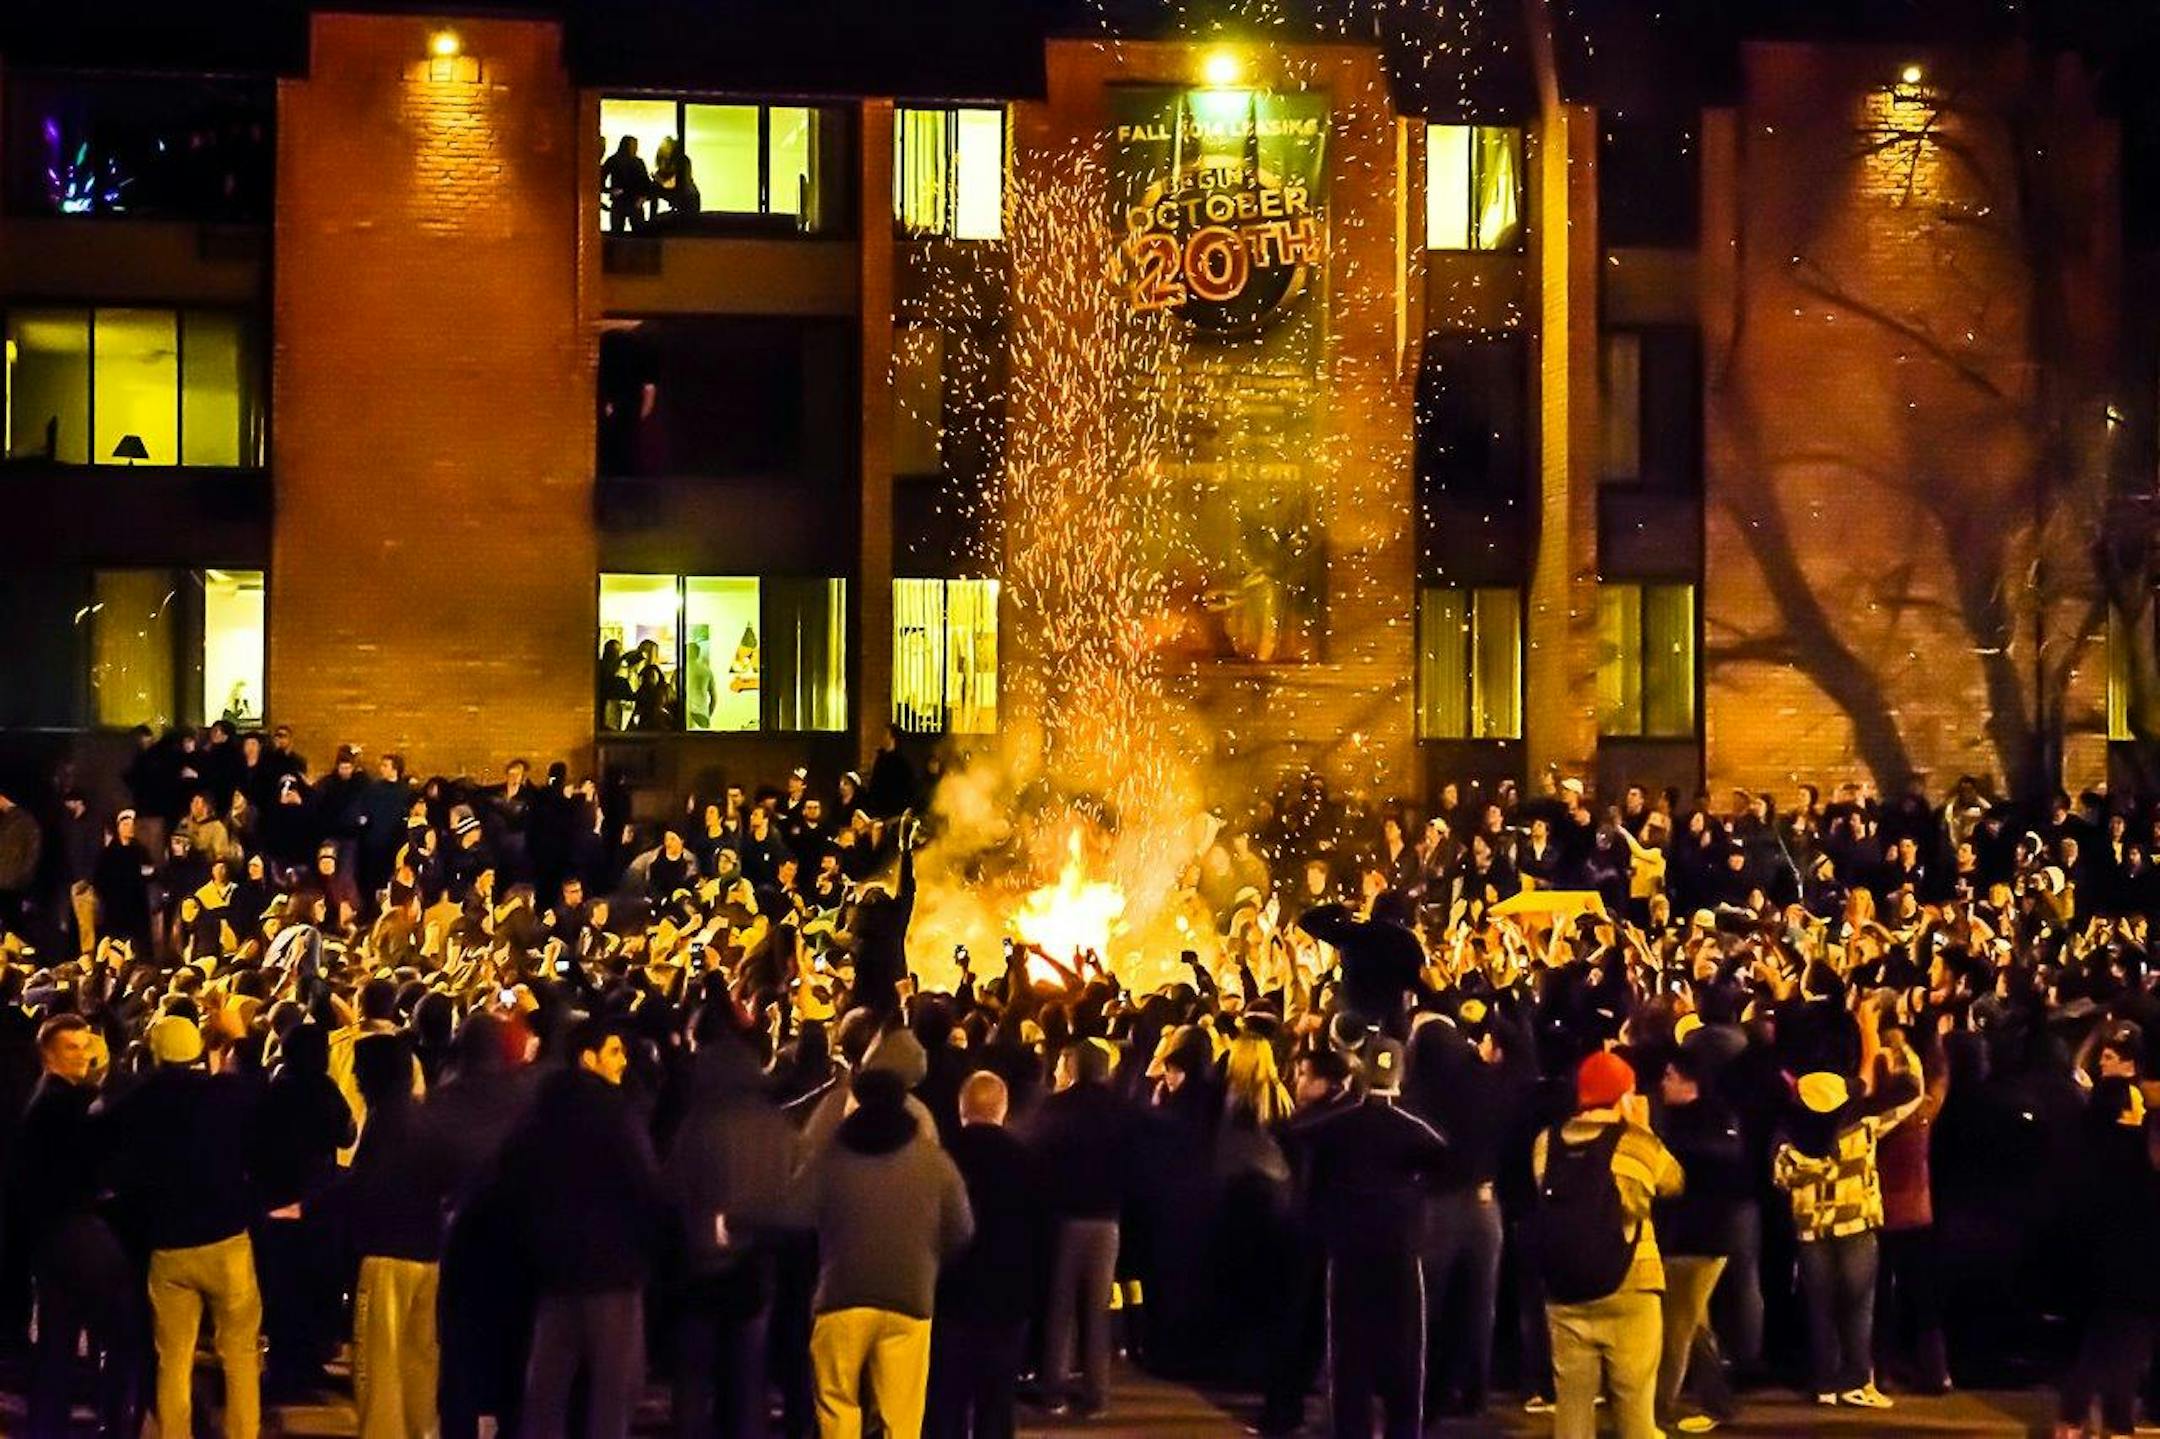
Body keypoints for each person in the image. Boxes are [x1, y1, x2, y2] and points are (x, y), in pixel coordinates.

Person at [99, 1012, 264, 1439]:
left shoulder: (135, 1104)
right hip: (227, 1240)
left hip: (169, 1245)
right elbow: (256, 1085)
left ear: (153, 1051)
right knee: (241, 1353)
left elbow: (112, 1162)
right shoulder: (225, 1094)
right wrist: (238, 1035)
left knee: (172, 1356)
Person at [499, 1017, 665, 1439]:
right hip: (612, 1271)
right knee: (613, 1392)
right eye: (614, 1052)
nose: (623, 1061)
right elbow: (645, 1184)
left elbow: (514, 1178)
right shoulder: (618, 1113)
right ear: (587, 1058)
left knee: (547, 1388)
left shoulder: (540, 1111)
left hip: (554, 1269)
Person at [794, 1065, 974, 1439]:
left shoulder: (830, 1157)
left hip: (840, 1294)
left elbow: (794, 1211)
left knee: (837, 1402)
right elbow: (961, 1229)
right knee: (901, 1414)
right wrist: (928, 1260)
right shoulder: (932, 1160)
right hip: (910, 1296)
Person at [1282, 1041, 1449, 1439]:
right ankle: (1404, 1429)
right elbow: (1443, 1159)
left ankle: (1351, 1429)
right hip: (1400, 1251)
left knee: (1349, 1352)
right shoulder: (1415, 1130)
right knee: (1407, 1352)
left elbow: (1294, 1135)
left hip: (1349, 1250)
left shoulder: (1338, 1125)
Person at [1531, 1051, 1683, 1439]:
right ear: (1624, 1095)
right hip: (1630, 1287)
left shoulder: (1547, 1143)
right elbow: (1673, 1181)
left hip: (1565, 1292)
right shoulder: (1635, 1144)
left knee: (1573, 1409)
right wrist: (1641, 1127)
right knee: (1634, 1408)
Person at [663, 1016, 799, 1439]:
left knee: (693, 1376)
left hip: (699, 1268)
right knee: (746, 1376)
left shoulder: (697, 1125)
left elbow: (673, 1189)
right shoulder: (776, 1125)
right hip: (756, 1267)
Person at [15, 1014, 140, 1439]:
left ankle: (47, 1425)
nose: (84, 1055)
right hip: (75, 1237)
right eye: (72, 1047)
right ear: (48, 1055)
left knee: (58, 1342)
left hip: (55, 1238)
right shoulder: (62, 1105)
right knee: (122, 1333)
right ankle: (114, 1420)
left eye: (86, 1045)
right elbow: (90, 1167)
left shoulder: (55, 1101)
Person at [1772, 1061, 1920, 1408]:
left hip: (1811, 1231)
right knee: (1857, 1307)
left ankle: (1825, 1382)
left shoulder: (1786, 1137)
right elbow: (1913, 1096)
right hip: (1856, 1225)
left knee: (1820, 1308)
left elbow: (1780, 1179)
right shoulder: (1861, 1127)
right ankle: (1856, 1380)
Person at [344, 1031, 452, 1439]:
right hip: (427, 1255)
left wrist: (311, 1207)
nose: (353, 1077)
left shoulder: (384, 1121)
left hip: (385, 1257)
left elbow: (362, 1188)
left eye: (359, 1069)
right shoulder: (423, 1116)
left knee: (379, 1364)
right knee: (420, 1361)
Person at [926, 1071, 1040, 1439]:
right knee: (997, 1404)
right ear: (1002, 1109)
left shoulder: (942, 1157)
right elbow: (1040, 1232)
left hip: (953, 1294)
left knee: (947, 1402)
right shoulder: (1025, 1160)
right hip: (1007, 1298)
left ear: (962, 1108)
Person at [1027, 1038, 1135, 1419]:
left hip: (1064, 1217)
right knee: (1097, 1309)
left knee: (1060, 1307)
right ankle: (1096, 1393)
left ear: (1073, 1068)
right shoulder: (1120, 1110)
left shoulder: (1056, 1108)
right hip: (1107, 1218)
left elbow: (1037, 1155)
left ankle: (1054, 1388)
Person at [1652, 1047, 1743, 1433]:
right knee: (1696, 1324)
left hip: (1698, 1241)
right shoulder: (1696, 1119)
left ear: (1687, 1078)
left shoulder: (1709, 1120)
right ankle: (1717, 1402)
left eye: (1669, 1076)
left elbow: (1719, 1161)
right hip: (1692, 1238)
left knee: (1675, 1330)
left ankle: (1653, 1412)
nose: (1663, 1083)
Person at [602, 133, 651, 232]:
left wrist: (609, 191)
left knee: (619, 232)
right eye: (633, 146)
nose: (635, 149)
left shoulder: (614, 160)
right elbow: (646, 183)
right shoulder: (637, 162)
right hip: (629, 201)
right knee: (638, 233)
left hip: (626, 200)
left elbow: (646, 183)